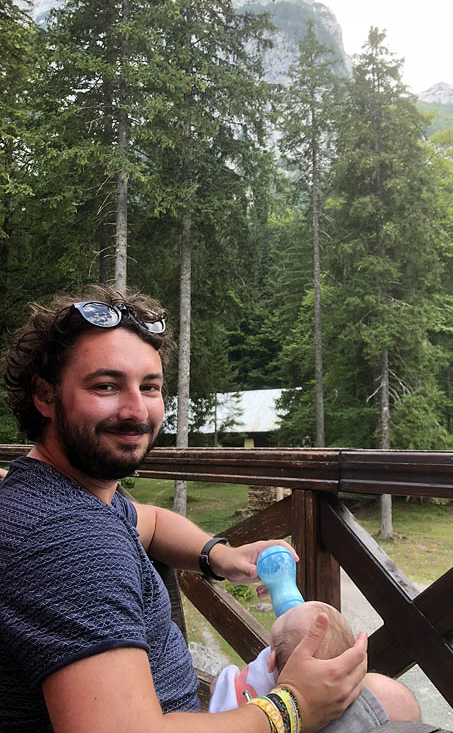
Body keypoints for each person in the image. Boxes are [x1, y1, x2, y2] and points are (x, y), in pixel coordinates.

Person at [0, 286, 371, 733]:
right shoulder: (70, 537)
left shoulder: (49, 492)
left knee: (385, 695)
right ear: (44, 395)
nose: (136, 410)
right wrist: (292, 706)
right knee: (384, 704)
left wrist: (220, 556)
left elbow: (152, 522)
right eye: (106, 386)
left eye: (150, 387)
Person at [209, 600, 420, 725]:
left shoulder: (249, 691)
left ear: (271, 661)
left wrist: (221, 681)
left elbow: (221, 690)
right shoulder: (339, 702)